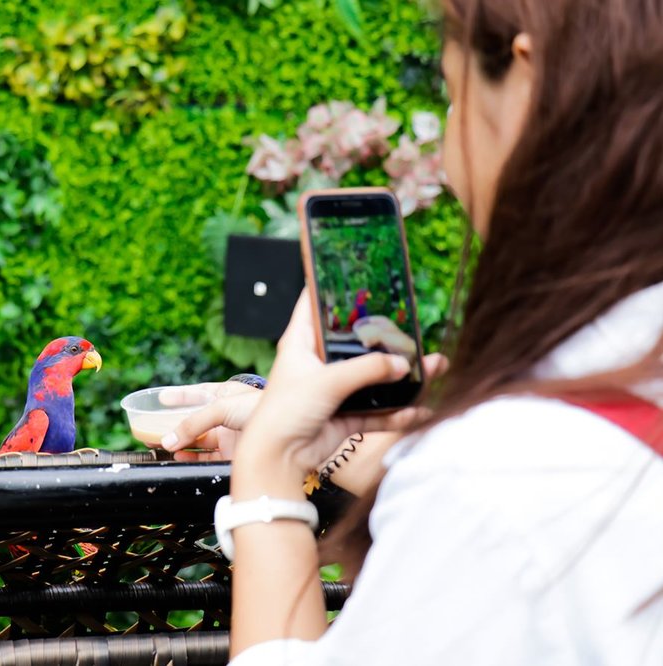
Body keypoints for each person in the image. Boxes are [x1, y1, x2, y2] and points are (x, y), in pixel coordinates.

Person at [155, 0, 663, 663]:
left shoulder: (494, 487)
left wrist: (270, 470)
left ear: (526, 86)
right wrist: (328, 441)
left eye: (452, 99)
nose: (451, 163)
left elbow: (504, 503)